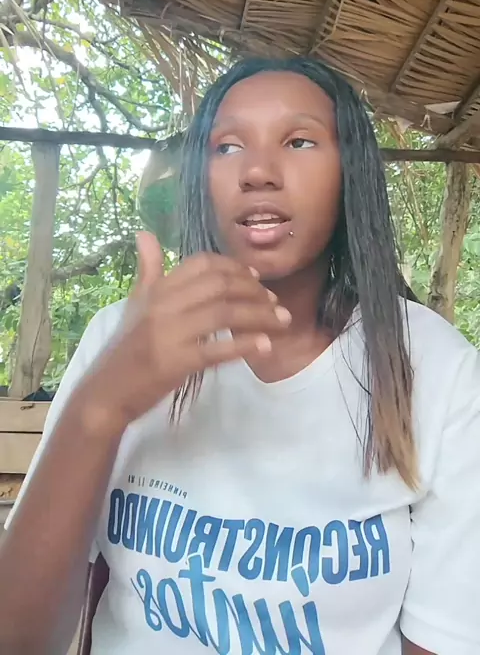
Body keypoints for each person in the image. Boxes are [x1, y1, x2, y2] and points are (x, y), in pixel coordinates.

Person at [1, 58, 479, 655]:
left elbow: (441, 639)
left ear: (350, 174)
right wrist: (100, 407)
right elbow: (19, 639)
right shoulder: (120, 339)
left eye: (299, 141)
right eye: (227, 147)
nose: (257, 171)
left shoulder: (435, 369)